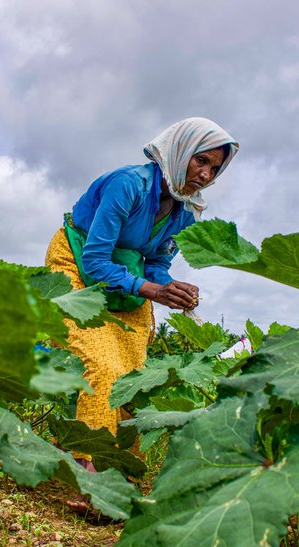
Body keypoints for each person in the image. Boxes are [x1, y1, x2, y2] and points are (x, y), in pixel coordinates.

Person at [45, 117, 238, 504]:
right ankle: (92, 478)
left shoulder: (186, 212)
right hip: (77, 265)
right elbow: (96, 259)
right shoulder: (128, 185)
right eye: (201, 161)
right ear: (180, 151)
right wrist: (151, 289)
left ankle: (114, 467)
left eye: (215, 168)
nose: (205, 174)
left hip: (127, 277)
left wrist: (168, 287)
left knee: (132, 376)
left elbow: (155, 263)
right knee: (102, 364)